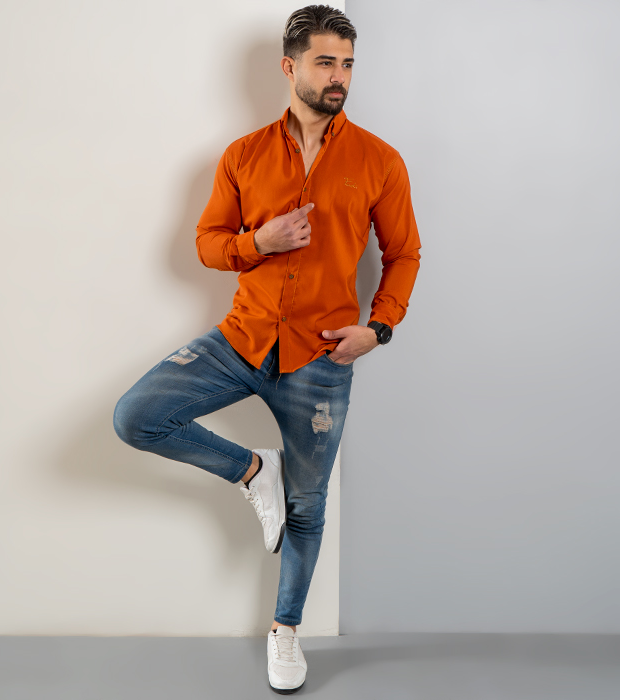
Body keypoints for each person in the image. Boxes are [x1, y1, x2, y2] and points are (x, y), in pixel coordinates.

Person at [113, 4, 421, 694]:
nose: (339, 76)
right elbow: (205, 243)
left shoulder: (379, 160)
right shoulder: (243, 155)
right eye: (325, 62)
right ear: (289, 67)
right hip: (242, 339)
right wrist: (260, 242)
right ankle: (254, 471)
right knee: (136, 416)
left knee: (308, 505)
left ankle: (285, 630)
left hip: (323, 358)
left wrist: (379, 328)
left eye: (347, 64)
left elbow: (404, 254)